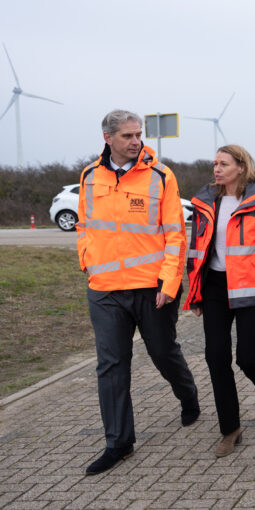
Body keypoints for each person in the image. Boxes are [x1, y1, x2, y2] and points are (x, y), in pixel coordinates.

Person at [76, 110, 199, 475]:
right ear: (107, 138)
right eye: (127, 136)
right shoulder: (89, 176)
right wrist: (86, 259)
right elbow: (84, 224)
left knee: (163, 352)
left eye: (138, 134)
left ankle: (188, 394)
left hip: (151, 288)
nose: (135, 141)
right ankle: (119, 443)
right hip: (105, 290)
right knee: (111, 366)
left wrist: (169, 283)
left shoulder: (161, 175)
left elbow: (175, 233)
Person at [183, 145, 255, 457]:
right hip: (214, 287)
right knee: (216, 357)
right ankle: (230, 429)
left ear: (241, 167)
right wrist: (195, 292)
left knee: (248, 357)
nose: (217, 169)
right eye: (214, 163)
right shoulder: (205, 201)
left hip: (250, 288)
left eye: (223, 164)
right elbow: (196, 250)